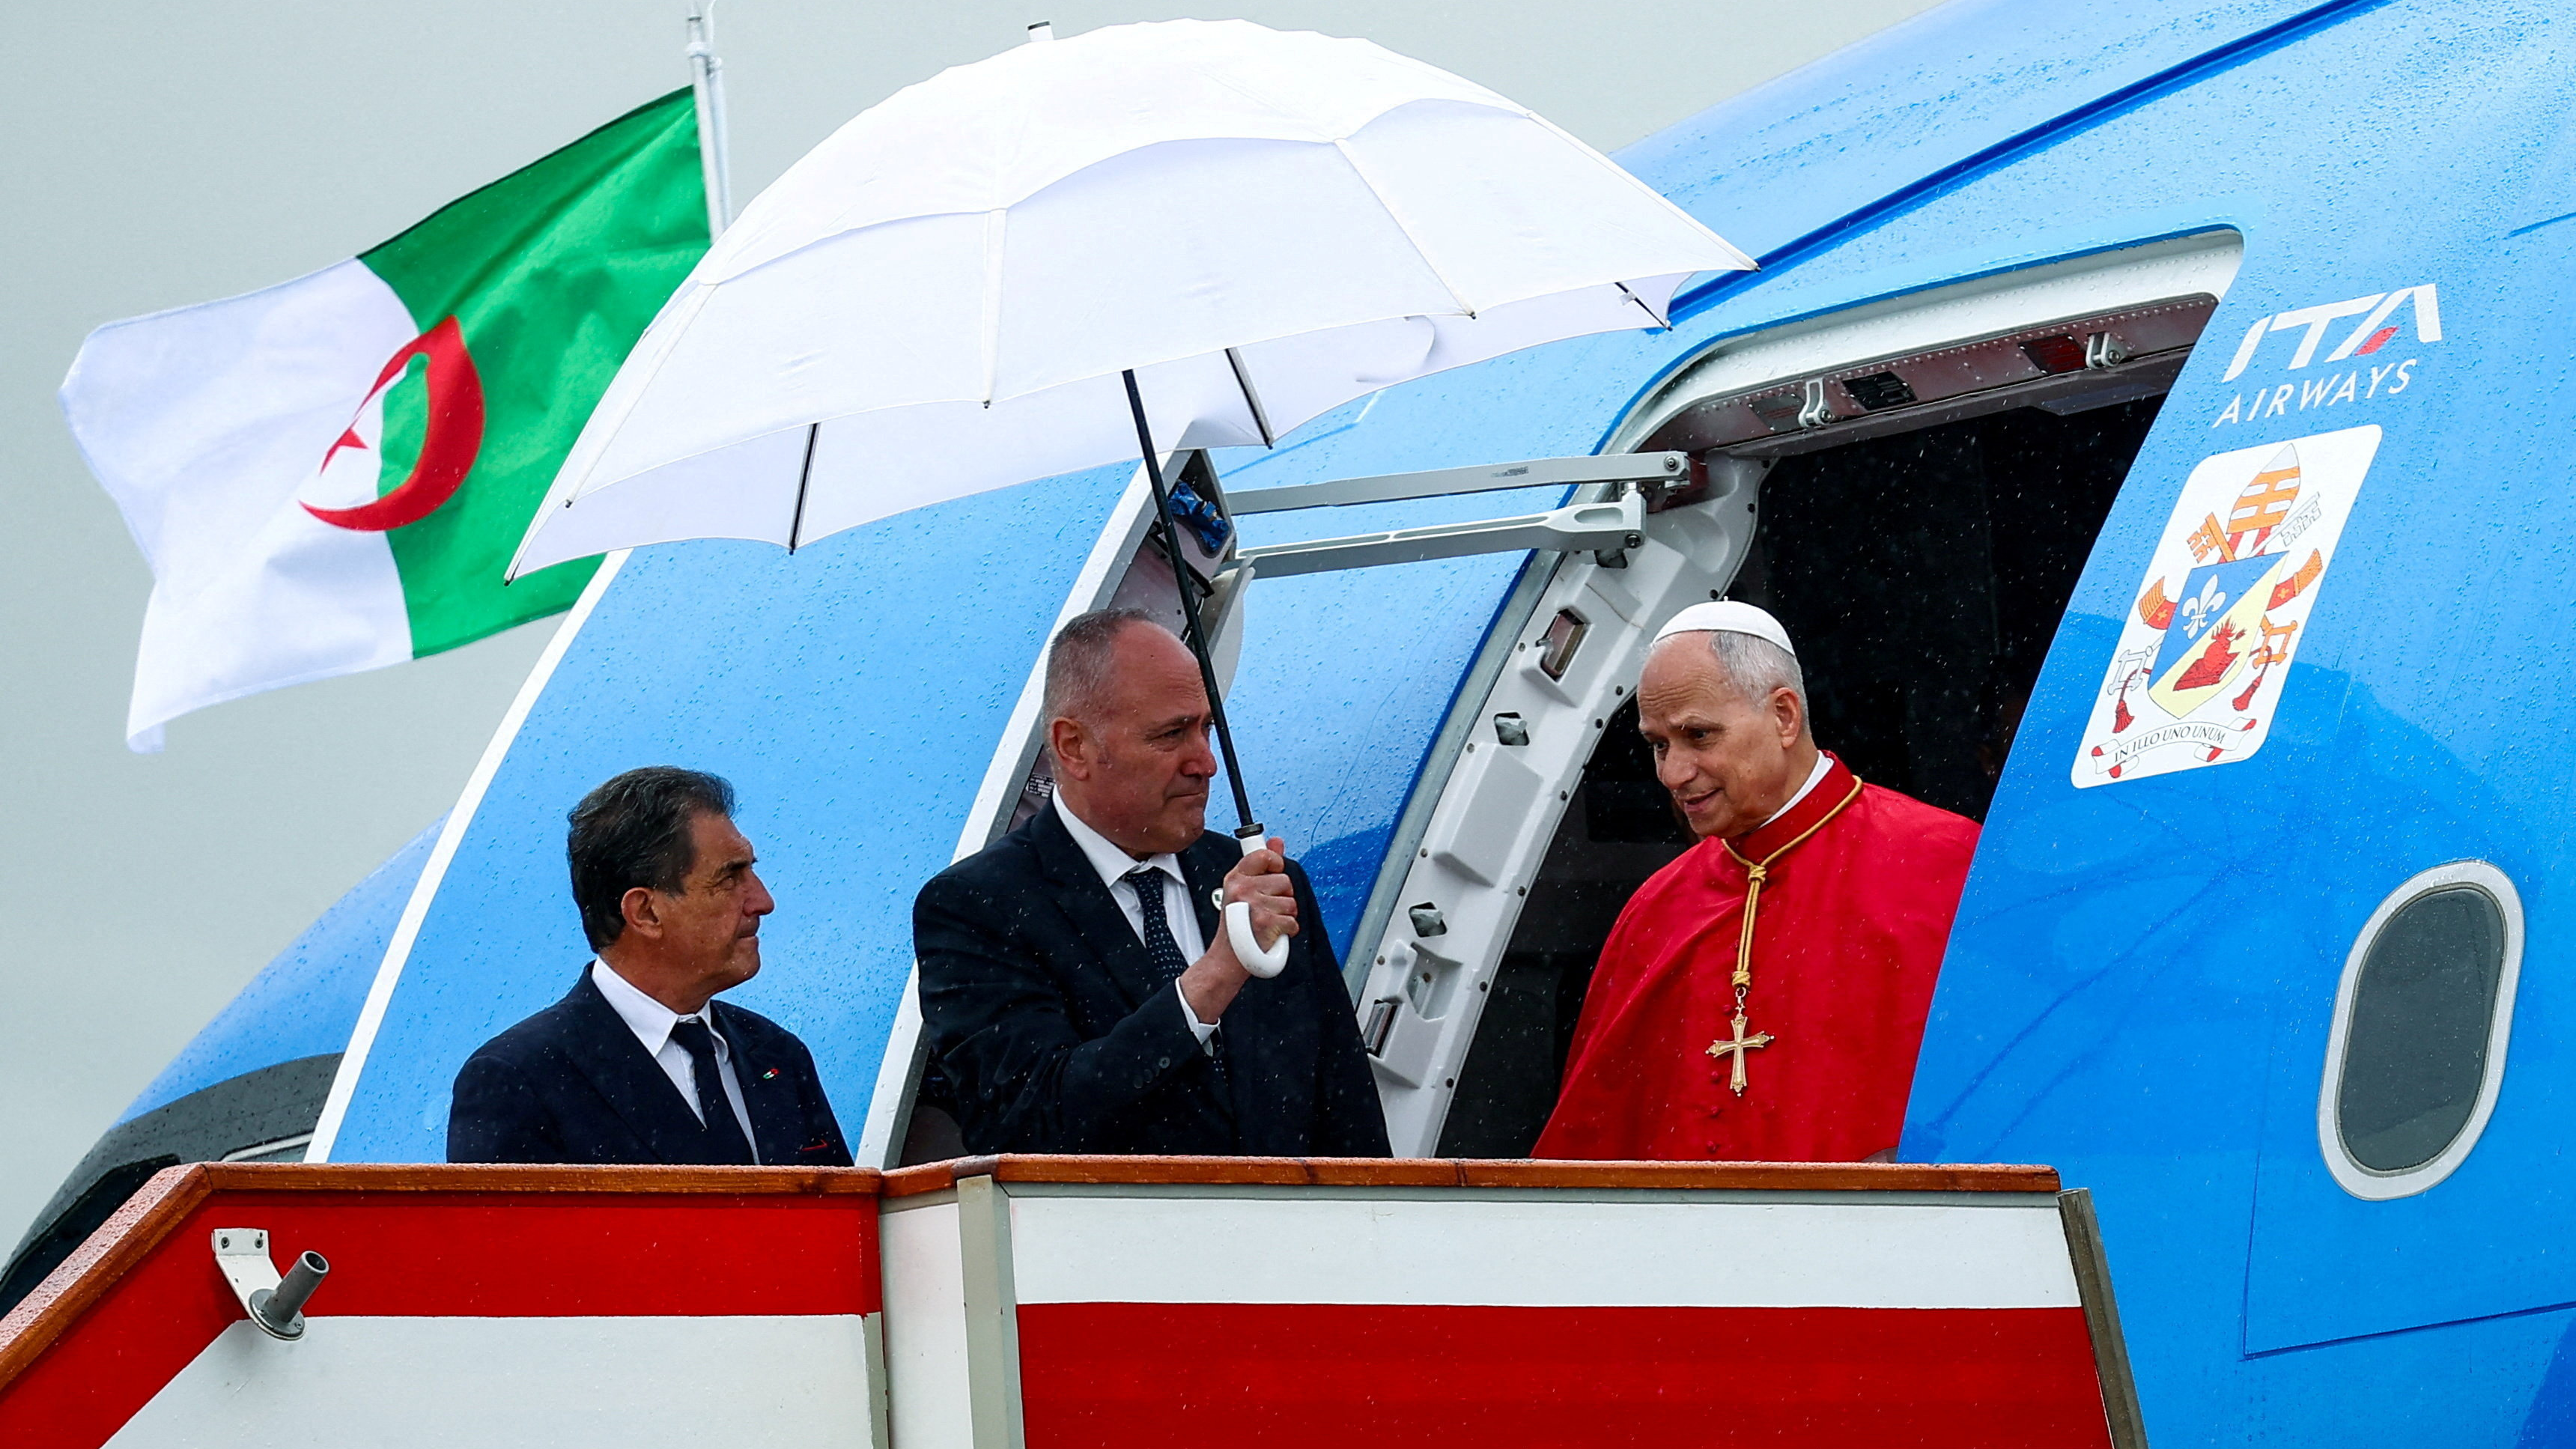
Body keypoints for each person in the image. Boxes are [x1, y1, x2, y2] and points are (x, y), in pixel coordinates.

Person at [914, 609, 1390, 1156]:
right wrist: (1213, 978)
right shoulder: (978, 906)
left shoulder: (1267, 885)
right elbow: (1029, 1125)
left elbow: (1349, 1119)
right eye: (1171, 734)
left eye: (1206, 728)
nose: (1205, 763)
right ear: (1073, 747)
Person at [1533, 602, 1979, 1163]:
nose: (1673, 773)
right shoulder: (1655, 908)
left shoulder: (1946, 864)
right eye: (1659, 744)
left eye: (1698, 735)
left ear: (1784, 716)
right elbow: (1594, 1141)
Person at [448, 767, 851, 1166]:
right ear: (645, 913)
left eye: (751, 870)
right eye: (729, 879)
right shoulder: (520, 1080)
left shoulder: (776, 1054)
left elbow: (844, 1222)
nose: (762, 901)